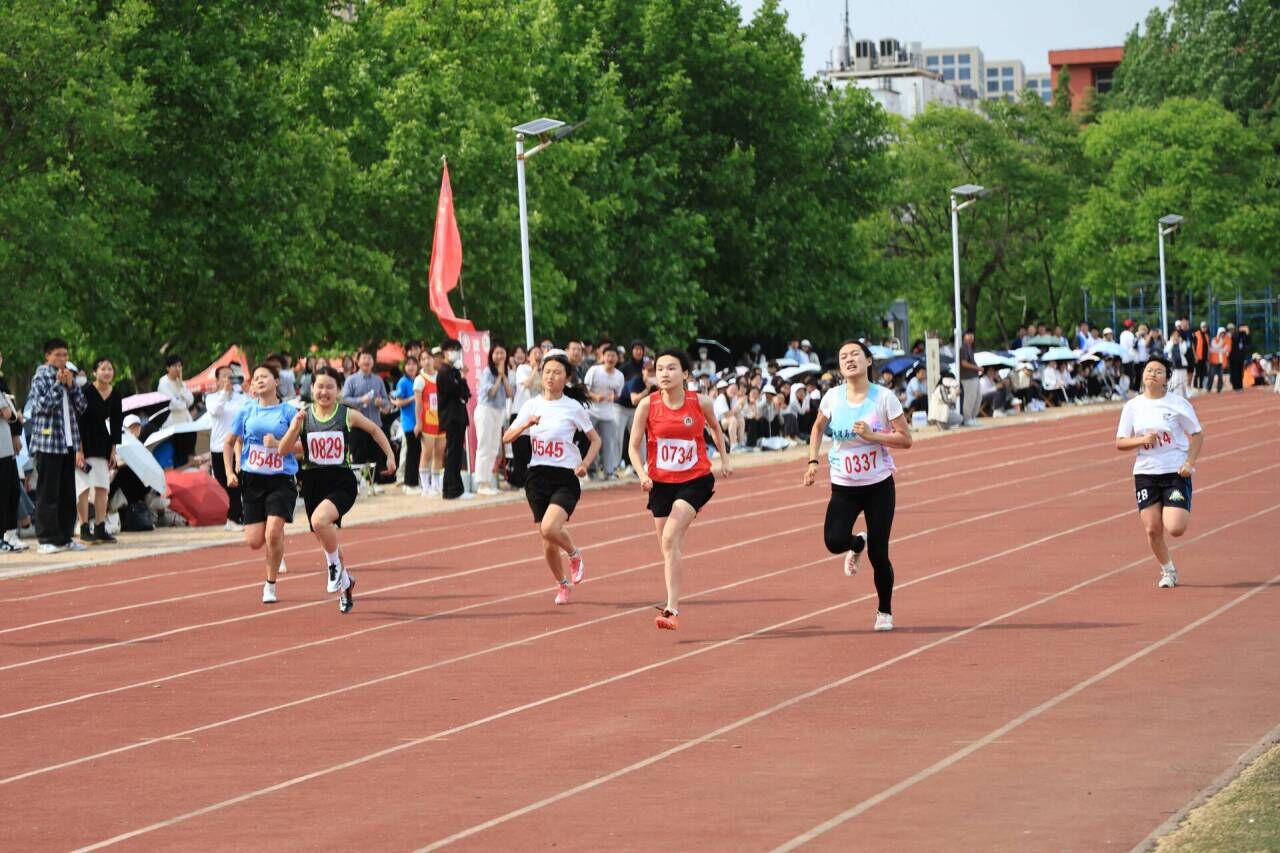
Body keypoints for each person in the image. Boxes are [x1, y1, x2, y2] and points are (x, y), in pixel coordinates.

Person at [803, 339, 912, 631]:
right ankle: (856, 543)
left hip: (878, 486)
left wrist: (874, 436)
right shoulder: (832, 398)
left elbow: (906, 439)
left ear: (868, 361)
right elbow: (817, 427)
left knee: (879, 553)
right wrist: (813, 461)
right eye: (843, 357)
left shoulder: (884, 398)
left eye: (855, 354)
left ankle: (884, 611)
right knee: (834, 541)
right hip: (844, 486)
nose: (849, 359)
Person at [270, 366, 396, 614]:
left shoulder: (346, 414)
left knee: (320, 522)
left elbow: (374, 429)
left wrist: (390, 455)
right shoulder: (303, 416)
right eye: (320, 386)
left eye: (330, 387)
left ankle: (333, 567)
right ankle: (346, 584)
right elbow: (283, 450)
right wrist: (294, 428)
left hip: (341, 481)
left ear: (338, 390)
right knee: (328, 539)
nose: (324, 392)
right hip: (313, 482)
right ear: (311, 389)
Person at [627, 348, 732, 630]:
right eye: (659, 368)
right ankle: (673, 600)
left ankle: (671, 609)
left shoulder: (700, 402)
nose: (664, 373)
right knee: (668, 546)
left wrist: (725, 459)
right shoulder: (647, 405)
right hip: (660, 483)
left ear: (685, 374)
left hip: (695, 479)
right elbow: (633, 446)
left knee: (670, 537)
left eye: (671, 368)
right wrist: (641, 474)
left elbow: (715, 429)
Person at [502, 350, 601, 605]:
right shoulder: (532, 405)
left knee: (550, 527)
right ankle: (562, 584)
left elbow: (595, 440)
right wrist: (526, 425)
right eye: (547, 372)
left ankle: (574, 554)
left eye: (557, 373)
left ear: (566, 377)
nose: (550, 377)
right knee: (547, 543)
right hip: (537, 477)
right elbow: (507, 437)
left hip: (565, 477)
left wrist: (585, 463)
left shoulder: (573, 407)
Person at [1115, 356, 1204, 589]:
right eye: (1149, 370)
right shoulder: (1132, 406)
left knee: (1175, 528)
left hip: (1175, 472)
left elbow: (1197, 434)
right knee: (1153, 530)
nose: (1152, 374)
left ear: (1166, 379)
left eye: (1158, 371)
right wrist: (1142, 440)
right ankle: (1168, 571)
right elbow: (1120, 442)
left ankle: (1175, 503)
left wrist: (1189, 462)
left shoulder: (1177, 404)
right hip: (1146, 473)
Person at [224, 363, 299, 604]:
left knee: (273, 533)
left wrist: (278, 444)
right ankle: (275, 539)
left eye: (264, 376)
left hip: (280, 479)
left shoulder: (289, 412)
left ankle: (270, 585)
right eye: (255, 378)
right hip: (253, 480)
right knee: (255, 541)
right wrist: (229, 471)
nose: (259, 380)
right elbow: (229, 442)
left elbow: (302, 448)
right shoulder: (247, 410)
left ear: (276, 381)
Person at [27, 338, 88, 554]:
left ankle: (65, 537)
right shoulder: (41, 376)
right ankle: (46, 539)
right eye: (58, 355)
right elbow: (41, 405)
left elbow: (82, 406)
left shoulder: (69, 375)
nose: (62, 359)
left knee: (67, 493)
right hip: (48, 443)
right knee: (48, 493)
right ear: (48, 356)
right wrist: (57, 384)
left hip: (68, 442)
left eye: (65, 355)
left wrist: (71, 386)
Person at [75, 357, 123, 543]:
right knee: (83, 487)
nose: (107, 372)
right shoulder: (85, 391)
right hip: (84, 441)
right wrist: (79, 450)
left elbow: (117, 422)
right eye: (103, 369)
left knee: (103, 486)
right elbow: (78, 421)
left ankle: (100, 527)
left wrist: (113, 450)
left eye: (110, 368)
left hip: (103, 441)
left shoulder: (115, 393)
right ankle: (84, 527)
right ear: (94, 372)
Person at [340, 349, 392, 493]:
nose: (367, 361)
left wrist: (381, 402)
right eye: (364, 358)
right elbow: (344, 399)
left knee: (376, 455)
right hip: (357, 426)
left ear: (373, 362)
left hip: (375, 424)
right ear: (358, 361)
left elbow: (387, 401)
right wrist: (360, 400)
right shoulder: (351, 380)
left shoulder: (378, 380)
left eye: (369, 358)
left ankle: (374, 483)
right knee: (358, 456)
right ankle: (360, 483)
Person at [207, 365, 247, 529]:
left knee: (237, 482)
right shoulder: (211, 398)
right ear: (217, 381)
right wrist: (224, 392)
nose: (228, 379)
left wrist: (245, 390)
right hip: (219, 447)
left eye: (231, 376)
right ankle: (233, 516)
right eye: (224, 376)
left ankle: (235, 518)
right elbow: (215, 411)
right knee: (224, 483)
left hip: (238, 446)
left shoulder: (240, 398)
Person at [436, 338, 472, 500]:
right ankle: (451, 490)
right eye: (452, 349)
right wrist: (461, 382)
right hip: (450, 417)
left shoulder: (454, 371)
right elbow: (455, 390)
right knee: (452, 454)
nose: (455, 353)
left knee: (456, 454)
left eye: (457, 350)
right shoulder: (444, 372)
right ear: (444, 352)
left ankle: (455, 489)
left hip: (459, 417)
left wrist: (461, 380)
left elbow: (466, 392)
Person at [474, 341, 512, 495]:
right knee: (484, 446)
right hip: (486, 410)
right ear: (491, 355)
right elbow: (491, 393)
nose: (500, 356)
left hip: (499, 411)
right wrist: (499, 376)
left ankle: (487, 481)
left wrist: (503, 375)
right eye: (497, 353)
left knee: (494, 447)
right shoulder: (487, 372)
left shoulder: (506, 372)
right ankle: (481, 483)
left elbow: (510, 393)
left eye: (502, 353)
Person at [583, 341, 626, 478]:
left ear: (617, 358)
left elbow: (618, 394)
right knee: (589, 441)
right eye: (608, 355)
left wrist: (614, 397)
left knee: (609, 443)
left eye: (613, 356)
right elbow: (584, 390)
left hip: (608, 414)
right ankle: (590, 470)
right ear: (602, 356)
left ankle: (609, 471)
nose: (610, 358)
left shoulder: (619, 376)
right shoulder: (594, 371)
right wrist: (595, 396)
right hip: (591, 412)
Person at [508, 345, 542, 488]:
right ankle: (519, 481)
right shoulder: (522, 368)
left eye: (540, 353)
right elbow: (527, 384)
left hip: (535, 415)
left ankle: (530, 481)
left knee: (531, 450)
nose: (538, 355)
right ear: (528, 357)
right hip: (520, 413)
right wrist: (534, 368)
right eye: (535, 353)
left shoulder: (543, 372)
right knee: (520, 449)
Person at [415, 347, 445, 496]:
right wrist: (418, 422)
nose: (426, 361)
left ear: (434, 359)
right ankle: (425, 487)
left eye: (429, 358)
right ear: (420, 362)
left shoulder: (440, 376)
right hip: (427, 421)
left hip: (441, 420)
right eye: (423, 359)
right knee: (426, 453)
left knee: (439, 453)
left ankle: (436, 485)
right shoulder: (420, 380)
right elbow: (418, 404)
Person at [156, 354, 196, 467]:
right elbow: (173, 404)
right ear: (168, 368)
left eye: (179, 366)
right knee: (178, 457)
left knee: (189, 454)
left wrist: (181, 386)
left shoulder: (181, 383)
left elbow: (190, 400)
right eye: (174, 366)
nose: (177, 368)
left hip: (186, 424)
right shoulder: (163, 383)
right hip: (173, 426)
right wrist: (184, 403)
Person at [392, 355, 421, 493]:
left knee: (417, 453)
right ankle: (409, 484)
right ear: (404, 367)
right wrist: (414, 397)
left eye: (413, 364)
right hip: (409, 422)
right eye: (408, 364)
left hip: (419, 421)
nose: (411, 367)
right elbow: (398, 402)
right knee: (411, 454)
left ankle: (414, 482)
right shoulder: (403, 382)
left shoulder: (418, 380)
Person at [0, 390, 23, 552]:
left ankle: (7, 535)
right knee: (3, 494)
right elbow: (9, 413)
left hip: (5, 450)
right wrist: (9, 410)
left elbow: (11, 414)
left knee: (10, 492)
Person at [958, 329, 981, 426]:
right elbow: (963, 363)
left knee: (978, 397)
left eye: (972, 334)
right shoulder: (963, 348)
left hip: (974, 376)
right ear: (964, 337)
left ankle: (973, 417)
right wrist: (977, 368)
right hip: (967, 377)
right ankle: (967, 418)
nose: (971, 336)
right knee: (970, 398)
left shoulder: (969, 348)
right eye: (968, 334)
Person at [1164, 327, 1191, 398]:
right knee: (1174, 380)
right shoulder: (1169, 342)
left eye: (1177, 335)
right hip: (1173, 364)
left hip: (1181, 364)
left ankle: (1183, 395)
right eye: (1174, 335)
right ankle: (1174, 394)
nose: (1176, 336)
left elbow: (1184, 351)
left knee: (1183, 380)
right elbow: (1167, 350)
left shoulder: (1182, 342)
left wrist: (1179, 343)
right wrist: (1172, 342)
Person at [1228, 323, 1250, 391]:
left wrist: (1247, 333)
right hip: (1233, 357)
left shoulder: (1244, 335)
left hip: (1241, 356)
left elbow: (1248, 342)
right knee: (1234, 372)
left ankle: (1240, 386)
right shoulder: (1235, 334)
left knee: (1240, 372)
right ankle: (1235, 386)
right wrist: (1240, 331)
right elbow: (1235, 338)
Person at [1192, 321, 1211, 390]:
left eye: (1205, 327)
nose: (1204, 328)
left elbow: (1208, 347)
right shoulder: (1196, 334)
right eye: (1203, 327)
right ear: (1200, 327)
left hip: (1204, 357)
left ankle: (1201, 385)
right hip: (1198, 357)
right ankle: (1195, 385)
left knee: (1203, 372)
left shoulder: (1206, 336)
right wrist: (1195, 356)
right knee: (1197, 372)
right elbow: (1193, 346)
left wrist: (1208, 356)